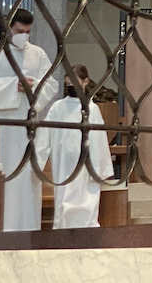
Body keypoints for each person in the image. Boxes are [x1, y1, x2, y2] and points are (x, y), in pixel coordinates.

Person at [0, 8, 58, 230]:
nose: (24, 36)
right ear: (9, 27)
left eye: (28, 32)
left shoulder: (38, 54)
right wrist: (13, 86)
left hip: (23, 133)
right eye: (20, 31)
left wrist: (33, 90)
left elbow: (51, 84)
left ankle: (24, 233)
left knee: (22, 187)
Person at [39, 64, 113, 229]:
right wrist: (38, 158)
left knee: (85, 198)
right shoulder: (58, 108)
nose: (71, 86)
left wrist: (100, 169)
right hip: (63, 162)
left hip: (85, 164)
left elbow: (99, 139)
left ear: (85, 82)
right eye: (68, 84)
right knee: (64, 198)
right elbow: (45, 134)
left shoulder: (91, 109)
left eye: (74, 83)